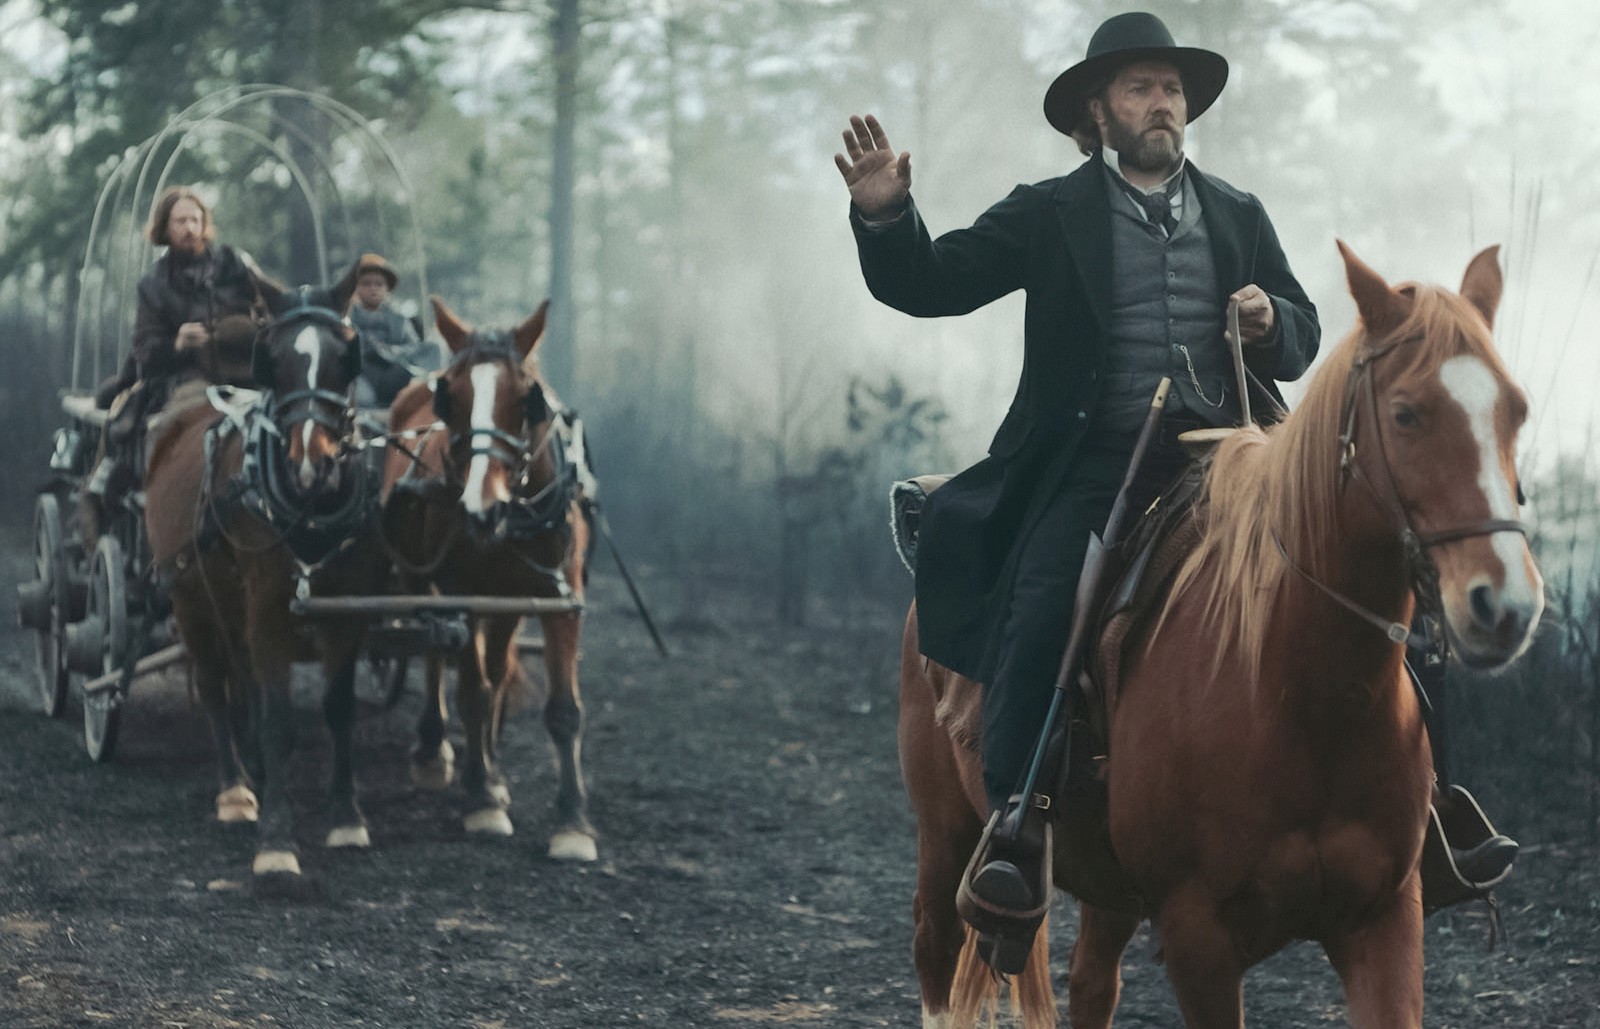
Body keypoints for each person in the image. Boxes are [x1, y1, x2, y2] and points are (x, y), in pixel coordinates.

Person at [838, 10, 1514, 935]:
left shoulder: (1238, 213)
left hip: (1236, 462)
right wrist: (885, 215)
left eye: (1172, 90)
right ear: (1097, 111)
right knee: (1044, 607)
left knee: (1386, 591)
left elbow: (1309, 332)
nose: (1162, 104)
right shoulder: (1048, 212)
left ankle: (1426, 808)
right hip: (1091, 466)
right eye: (1139, 89)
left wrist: (1272, 321)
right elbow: (930, 281)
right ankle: (1016, 826)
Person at [88, 186, 273, 503]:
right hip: (184, 376)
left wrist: (245, 332)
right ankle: (174, 502)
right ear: (164, 227)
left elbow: (270, 308)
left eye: (195, 220)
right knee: (180, 422)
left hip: (243, 372)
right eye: (180, 221)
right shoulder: (154, 284)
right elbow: (145, 349)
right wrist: (177, 342)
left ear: (204, 224)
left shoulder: (234, 265)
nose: (189, 228)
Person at [348, 252, 437, 408]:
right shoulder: (348, 318)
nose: (373, 289)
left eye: (379, 284)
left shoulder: (399, 318)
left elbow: (414, 346)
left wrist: (390, 351)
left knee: (432, 349)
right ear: (356, 288)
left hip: (396, 373)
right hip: (363, 376)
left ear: (387, 289)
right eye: (366, 284)